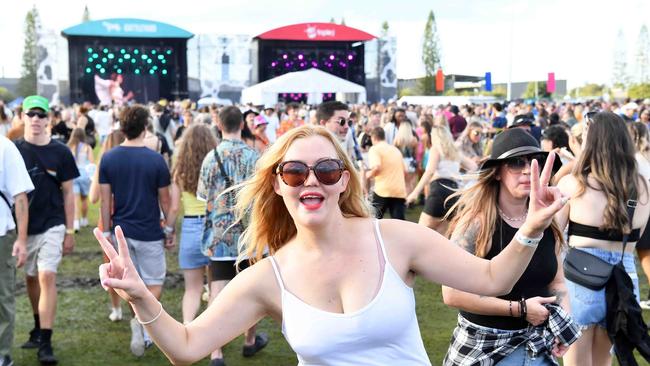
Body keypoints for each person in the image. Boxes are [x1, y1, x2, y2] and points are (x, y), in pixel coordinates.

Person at [95, 124, 568, 366]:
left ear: (345, 181)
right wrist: (141, 297)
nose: (310, 181)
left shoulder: (395, 239)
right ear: (279, 185)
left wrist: (531, 228)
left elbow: (493, 278)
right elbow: (187, 346)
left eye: (325, 170)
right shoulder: (268, 276)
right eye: (295, 172)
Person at [441, 128, 575, 365]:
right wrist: (521, 310)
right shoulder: (476, 223)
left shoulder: (547, 221)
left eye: (534, 161)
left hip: (537, 348)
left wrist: (564, 323)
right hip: (483, 349)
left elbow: (557, 281)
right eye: (515, 162)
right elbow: (452, 294)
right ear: (497, 173)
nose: (526, 170)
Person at [556, 112, 650, 366]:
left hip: (580, 278)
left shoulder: (574, 183)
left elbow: (553, 242)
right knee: (602, 361)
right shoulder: (643, 188)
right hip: (622, 279)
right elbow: (638, 235)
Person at [98, 104, 174, 357]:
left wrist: (106, 231)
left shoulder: (108, 157)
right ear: (145, 127)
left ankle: (139, 325)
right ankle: (142, 326)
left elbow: (105, 200)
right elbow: (166, 201)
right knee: (154, 283)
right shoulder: (155, 160)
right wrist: (170, 228)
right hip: (150, 231)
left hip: (121, 231)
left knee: (132, 284)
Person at [197, 106, 265, 366]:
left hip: (218, 235)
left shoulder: (210, 158)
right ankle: (249, 340)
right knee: (252, 291)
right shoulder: (253, 156)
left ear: (219, 125)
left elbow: (203, 195)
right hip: (249, 234)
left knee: (217, 291)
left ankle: (216, 352)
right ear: (241, 125)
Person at [15, 96, 79, 364]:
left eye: (41, 115)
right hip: (25, 228)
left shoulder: (61, 152)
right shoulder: (13, 150)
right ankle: (38, 326)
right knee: (31, 279)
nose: (36, 120)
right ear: (23, 117)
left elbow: (69, 194)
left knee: (47, 277)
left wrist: (70, 231)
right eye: (31, 114)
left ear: (49, 119)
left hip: (53, 224)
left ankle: (46, 342)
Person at [168, 124, 217, 324]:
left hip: (190, 227)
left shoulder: (179, 168)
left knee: (192, 290)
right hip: (214, 226)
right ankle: (216, 348)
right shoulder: (216, 164)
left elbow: (173, 208)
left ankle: (187, 330)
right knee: (216, 289)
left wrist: (169, 230)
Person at [0, 134, 33, 366]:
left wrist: (22, 240)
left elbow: (20, 196)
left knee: (2, 296)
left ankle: (2, 353)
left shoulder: (5, 147)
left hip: (1, 234)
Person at [406, 126, 477, 234]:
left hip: (439, 189)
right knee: (442, 235)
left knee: (420, 232)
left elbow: (429, 172)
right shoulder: (455, 151)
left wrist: (415, 193)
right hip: (454, 192)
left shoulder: (436, 149)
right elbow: (473, 167)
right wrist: (461, 181)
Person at [89, 129, 126, 322]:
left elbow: (93, 197)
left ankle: (116, 308)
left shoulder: (104, 162)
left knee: (112, 266)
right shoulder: (130, 161)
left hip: (108, 219)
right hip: (130, 215)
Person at [628, 122, 650, 310]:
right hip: (645, 210)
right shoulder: (645, 156)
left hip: (641, 211)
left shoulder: (633, 159)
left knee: (644, 259)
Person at [366, 127, 407, 220]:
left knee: (373, 220)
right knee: (399, 224)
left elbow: (377, 167)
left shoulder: (375, 149)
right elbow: (405, 171)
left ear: (373, 138)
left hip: (382, 190)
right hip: (399, 190)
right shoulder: (395, 150)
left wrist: (369, 174)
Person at [67, 128, 95, 231]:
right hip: (84, 175)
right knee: (84, 199)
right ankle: (84, 219)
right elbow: (92, 163)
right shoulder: (87, 147)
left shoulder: (69, 147)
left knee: (75, 200)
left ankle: (75, 223)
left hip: (73, 175)